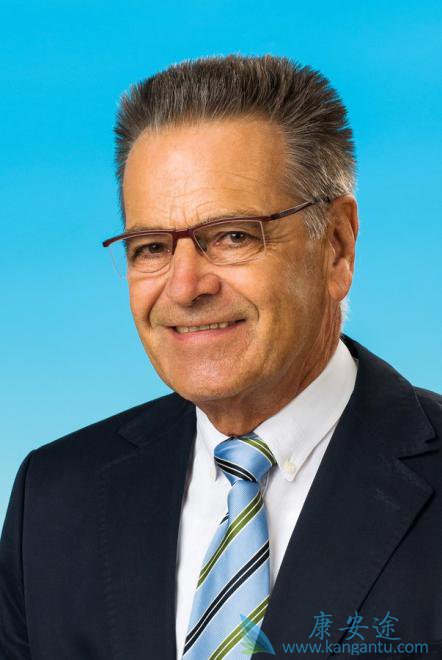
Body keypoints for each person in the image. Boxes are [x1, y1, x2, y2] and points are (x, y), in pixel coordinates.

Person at [1, 55, 441, 660]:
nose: (185, 287)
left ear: (337, 247)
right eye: (151, 246)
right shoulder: (55, 499)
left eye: (233, 235)